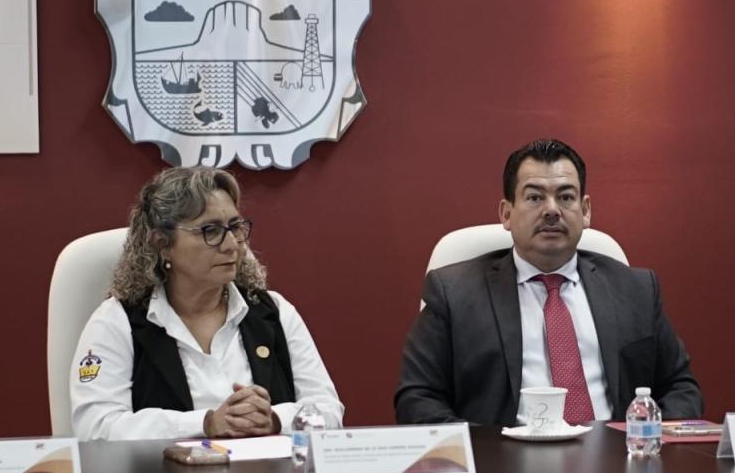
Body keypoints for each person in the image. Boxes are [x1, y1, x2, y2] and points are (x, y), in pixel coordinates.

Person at [395, 139, 703, 426]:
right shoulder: (454, 293)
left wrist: (643, 438)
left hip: (616, 458)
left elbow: (681, 388)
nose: (552, 210)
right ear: (506, 214)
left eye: (566, 197)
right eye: (534, 197)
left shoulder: (636, 290)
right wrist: (484, 452)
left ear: (585, 211)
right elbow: (417, 397)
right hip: (502, 461)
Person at [71, 167, 343, 440]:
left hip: (270, 468)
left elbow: (328, 410)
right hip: (163, 469)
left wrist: (274, 419)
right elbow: (95, 427)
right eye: (210, 230)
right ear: (162, 243)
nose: (231, 245)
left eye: (235, 227)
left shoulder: (275, 311)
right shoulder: (117, 321)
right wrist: (205, 423)